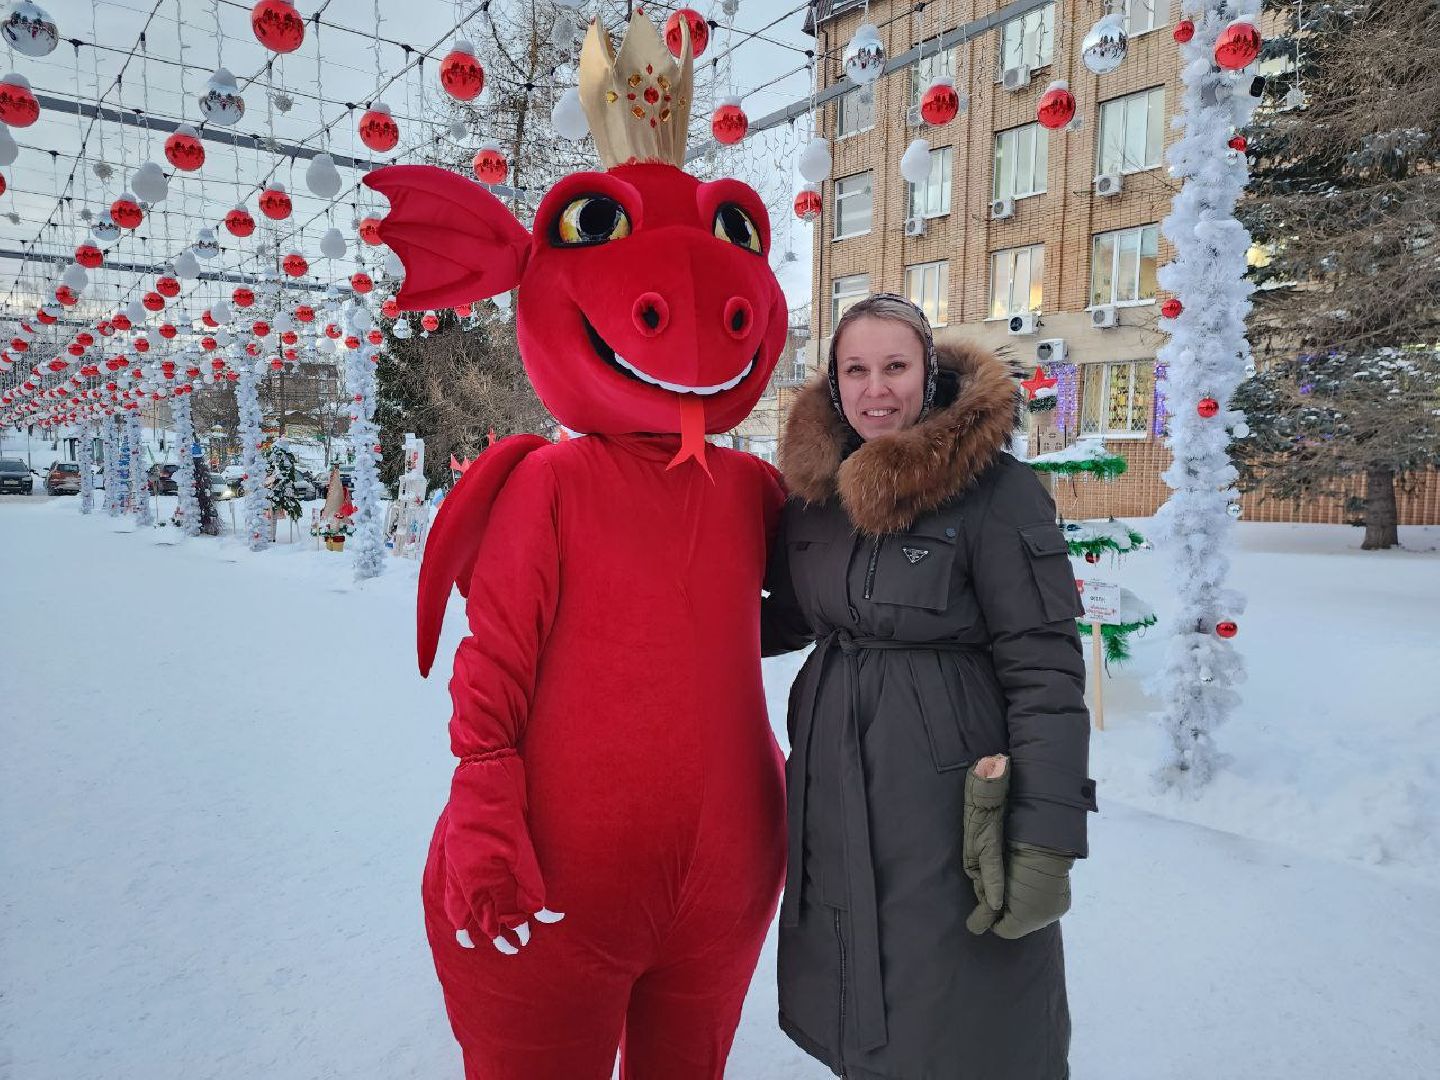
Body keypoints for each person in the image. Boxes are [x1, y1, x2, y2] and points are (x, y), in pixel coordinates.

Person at [763, 293, 1097, 1079]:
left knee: (958, 1013)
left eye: (894, 367)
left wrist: (1047, 839)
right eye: (856, 370)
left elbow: (1045, 668)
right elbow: (781, 619)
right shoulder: (817, 497)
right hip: (832, 788)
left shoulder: (995, 493)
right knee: (856, 993)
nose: (876, 389)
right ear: (834, 384)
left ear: (930, 374)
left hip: (949, 805)